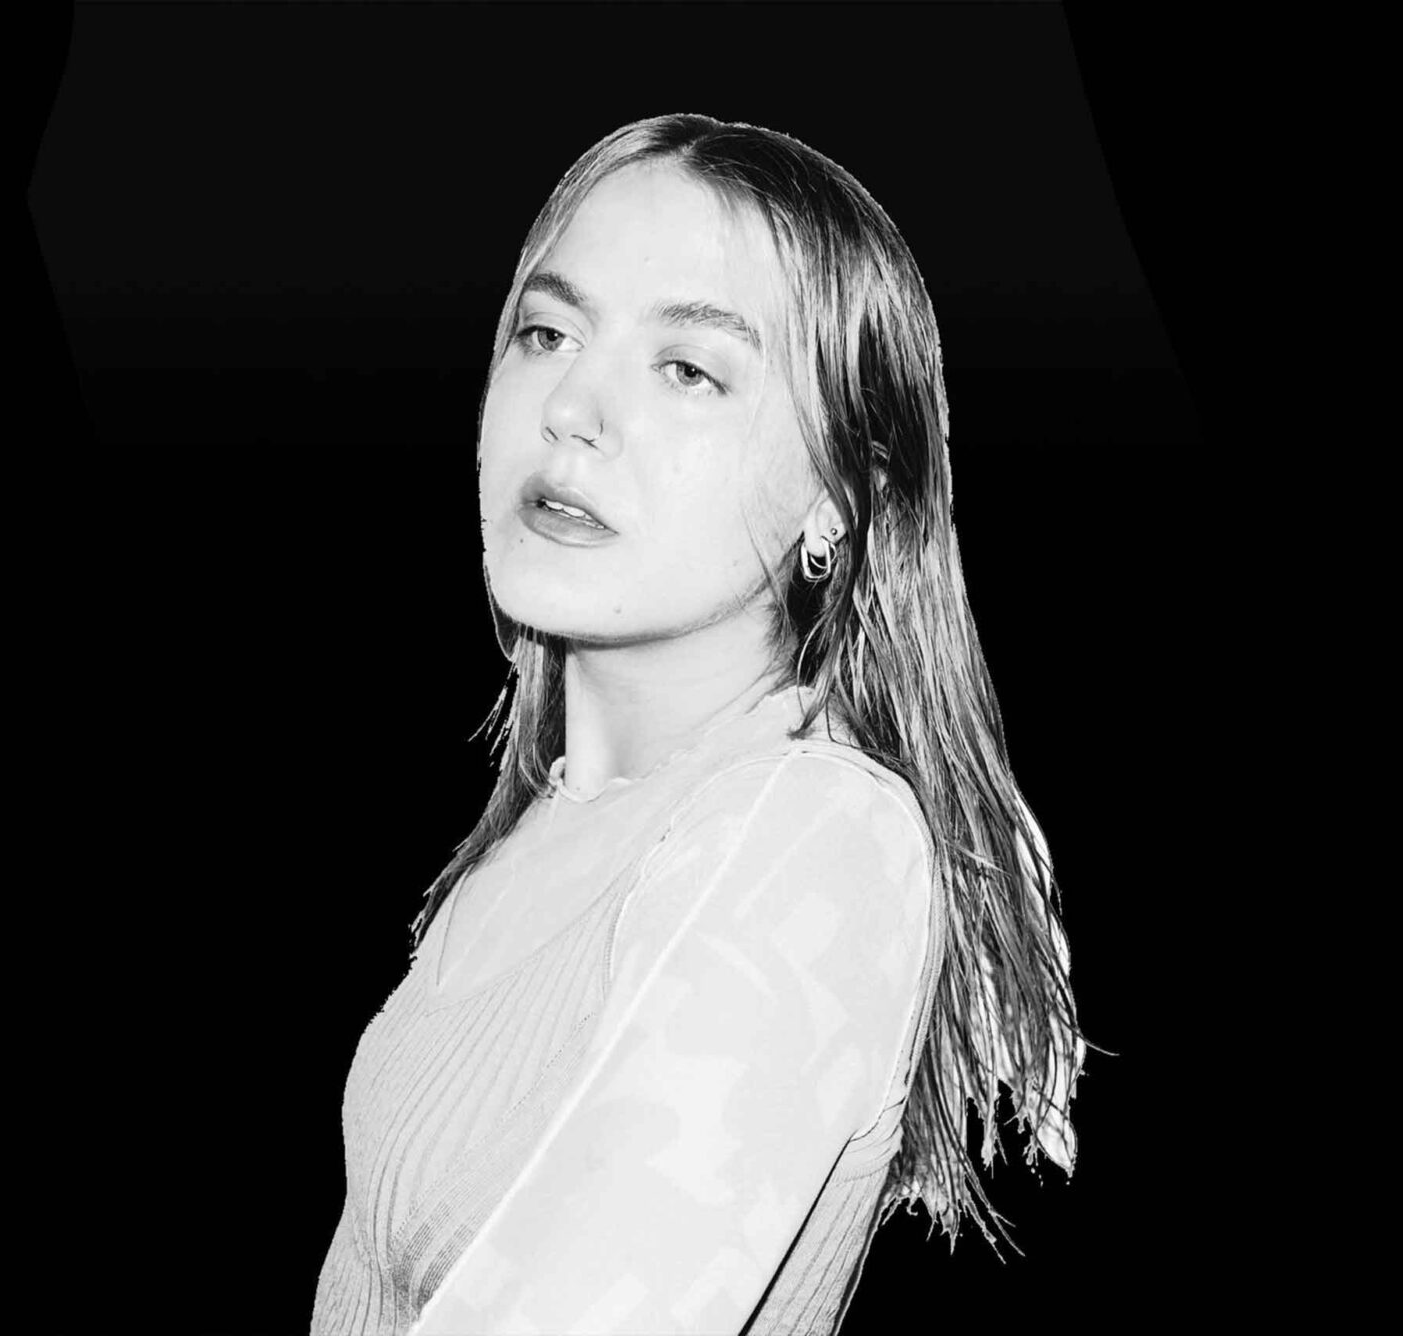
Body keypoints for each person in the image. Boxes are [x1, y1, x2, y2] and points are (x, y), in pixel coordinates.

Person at [310, 113, 1091, 1336]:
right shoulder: (526, 850)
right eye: (547, 332)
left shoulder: (810, 835)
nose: (572, 407)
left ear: (840, 498)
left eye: (689, 369)